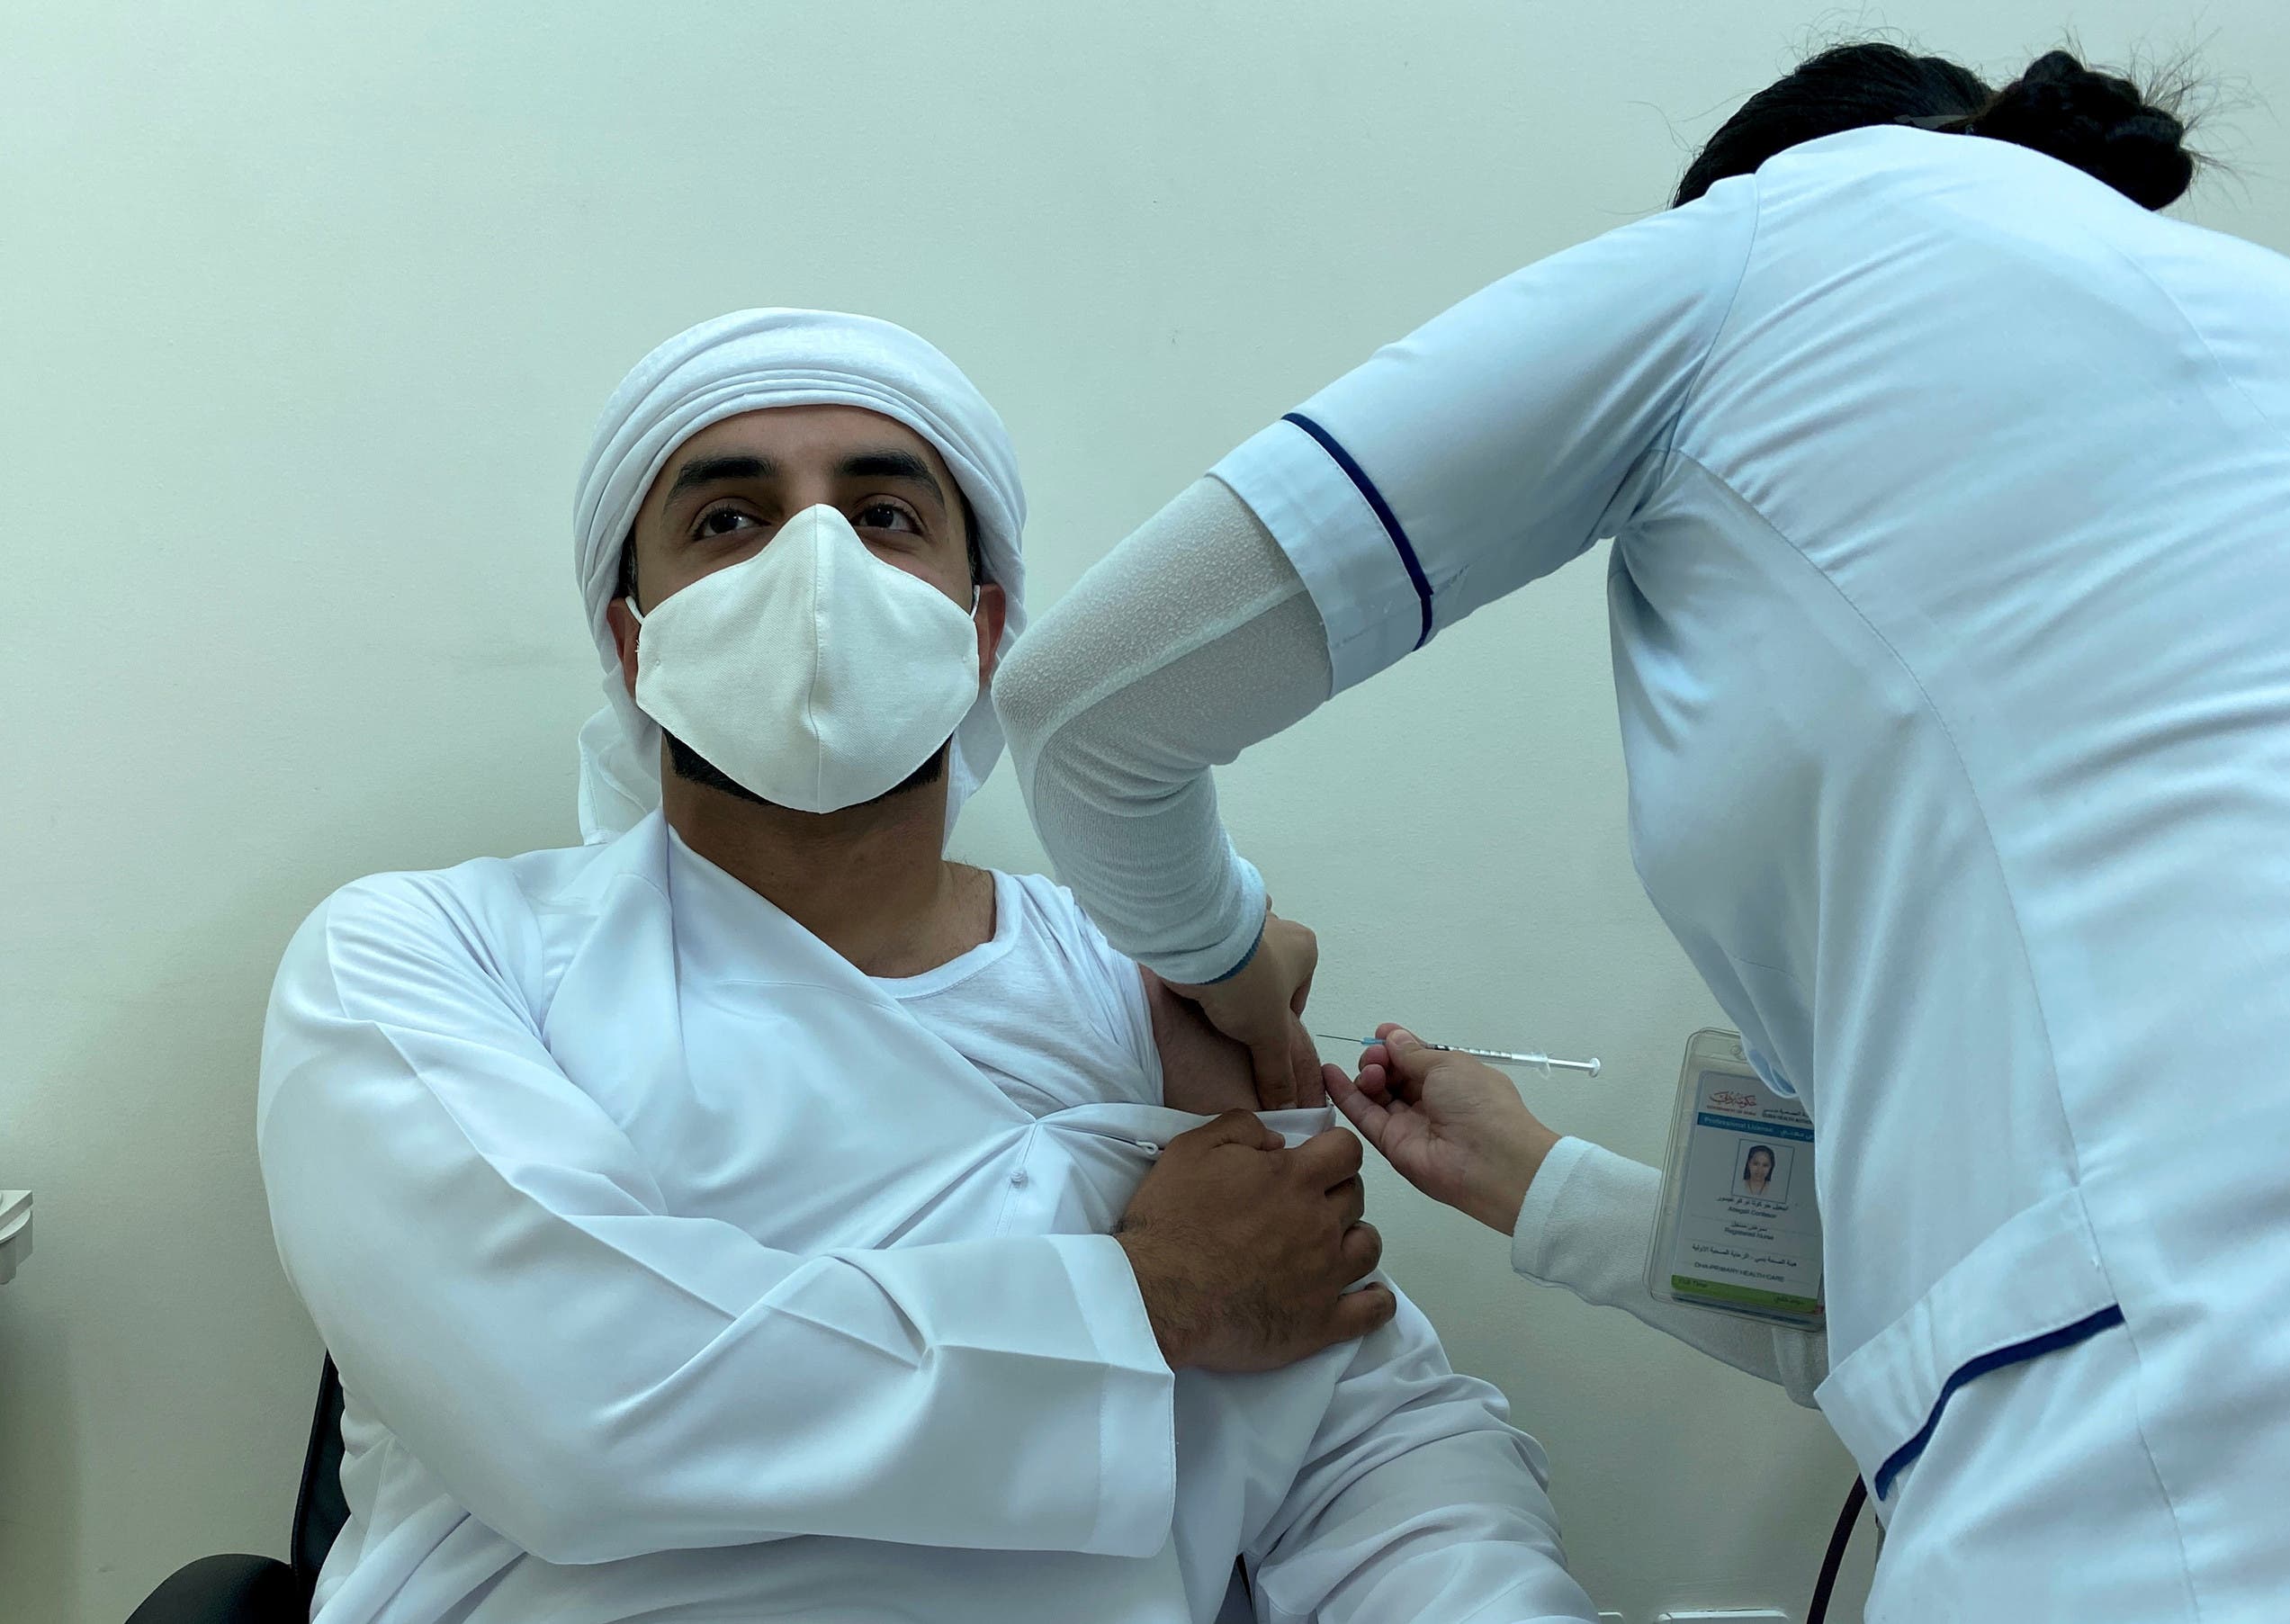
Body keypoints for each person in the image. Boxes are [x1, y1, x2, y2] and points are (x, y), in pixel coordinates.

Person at [993, 42, 2290, 1622]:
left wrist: (1219, 953)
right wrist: (1540, 1182)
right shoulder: (2255, 322)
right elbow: (1990, 1249)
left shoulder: (1781, 243)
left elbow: (1086, 710)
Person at [256, 309, 1601, 1624]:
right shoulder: (427, 957)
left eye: (886, 515)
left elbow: (1366, 1443)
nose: (817, 567)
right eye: (730, 519)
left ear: (984, 629)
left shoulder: (1145, 989)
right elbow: (567, 1402)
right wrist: (1139, 1293)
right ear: (630, 638)